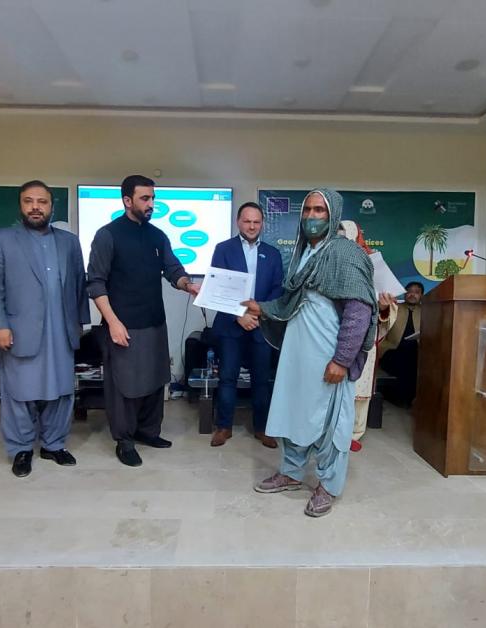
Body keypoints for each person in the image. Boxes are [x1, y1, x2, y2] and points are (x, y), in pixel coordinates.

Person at [240, 188, 376, 517]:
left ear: (333, 215)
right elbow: (292, 301)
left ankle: (328, 485)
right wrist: (261, 307)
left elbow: (358, 311)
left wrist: (342, 360)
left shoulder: (345, 253)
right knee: (294, 413)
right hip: (298, 355)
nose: (312, 217)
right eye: (308, 210)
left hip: (329, 355)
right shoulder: (304, 253)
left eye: (319, 210)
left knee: (331, 423)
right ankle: (291, 472)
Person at [87, 174, 199, 467]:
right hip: (122, 324)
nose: (151, 204)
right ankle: (124, 441)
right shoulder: (107, 235)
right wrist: (112, 322)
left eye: (153, 198)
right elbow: (95, 283)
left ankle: (148, 432)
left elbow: (173, 269)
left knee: (155, 379)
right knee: (124, 386)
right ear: (127, 200)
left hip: (154, 321)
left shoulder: (157, 235)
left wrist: (188, 285)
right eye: (145, 198)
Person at [0, 180, 89, 478]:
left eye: (42, 202)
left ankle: (54, 444)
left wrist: (80, 323)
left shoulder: (69, 242)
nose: (35, 207)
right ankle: (21, 449)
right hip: (19, 330)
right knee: (20, 392)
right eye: (28, 201)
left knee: (61, 391)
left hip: (61, 330)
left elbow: (79, 284)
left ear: (51, 206)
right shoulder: (2, 239)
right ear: (20, 205)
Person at [208, 202, 284, 448]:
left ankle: (262, 429)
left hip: (261, 325)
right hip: (231, 325)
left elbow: (277, 290)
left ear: (262, 224)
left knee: (261, 380)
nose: (252, 226)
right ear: (238, 222)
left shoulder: (273, 254)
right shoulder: (223, 249)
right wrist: (238, 315)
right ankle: (223, 427)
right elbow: (217, 288)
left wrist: (259, 313)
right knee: (227, 378)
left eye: (256, 222)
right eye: (247, 221)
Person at [337, 220, 398, 452]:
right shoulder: (332, 260)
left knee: (358, 386)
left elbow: (388, 305)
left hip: (364, 332)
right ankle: (330, 430)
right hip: (337, 332)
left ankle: (353, 433)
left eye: (345, 235)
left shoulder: (373, 263)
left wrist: (383, 307)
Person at [379, 280, 424, 406]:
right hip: (391, 351)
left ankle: (404, 399)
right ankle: (402, 399)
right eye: (409, 292)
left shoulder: (426, 311)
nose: (412, 294)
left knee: (415, 359)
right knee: (405, 360)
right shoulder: (394, 308)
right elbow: (382, 322)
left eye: (416, 292)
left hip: (416, 352)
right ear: (404, 294)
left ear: (421, 296)